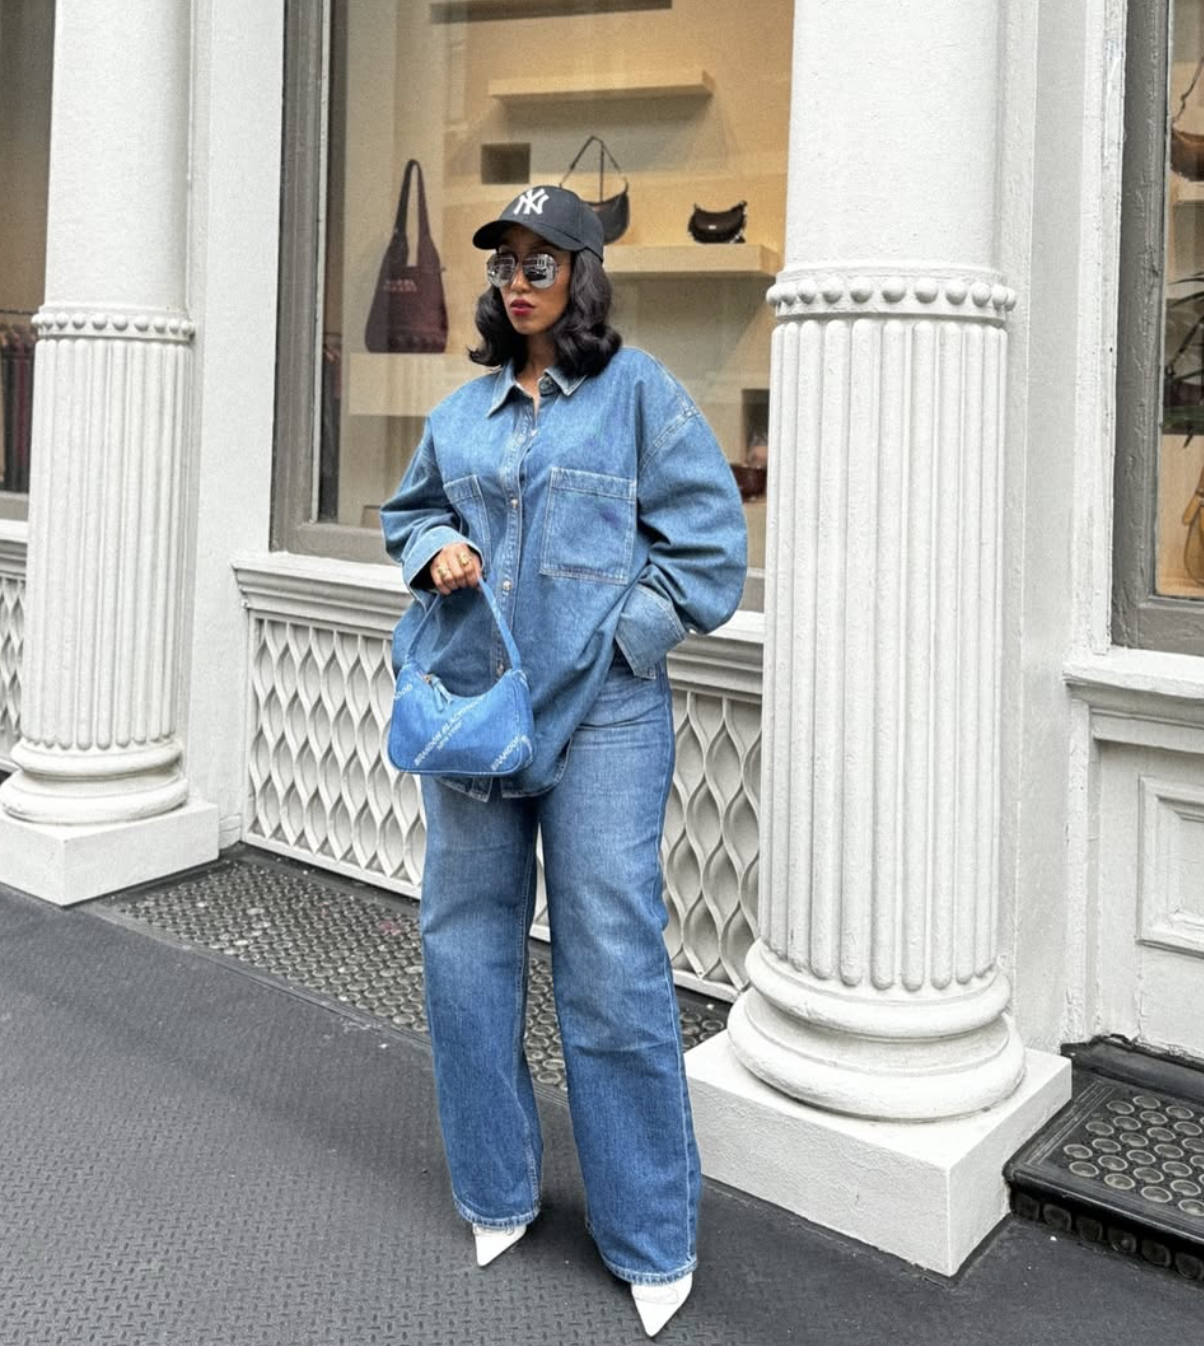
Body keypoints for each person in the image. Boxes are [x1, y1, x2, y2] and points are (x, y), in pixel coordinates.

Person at [380, 185, 747, 1338]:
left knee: (612, 960)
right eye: (506, 265)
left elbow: (707, 549)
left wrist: (619, 643)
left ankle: (649, 1229)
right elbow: (408, 512)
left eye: (541, 263)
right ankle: (495, 1188)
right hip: (479, 715)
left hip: (606, 722)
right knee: (464, 948)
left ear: (583, 274)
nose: (519, 282)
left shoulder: (640, 394)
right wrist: (434, 544)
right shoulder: (461, 413)